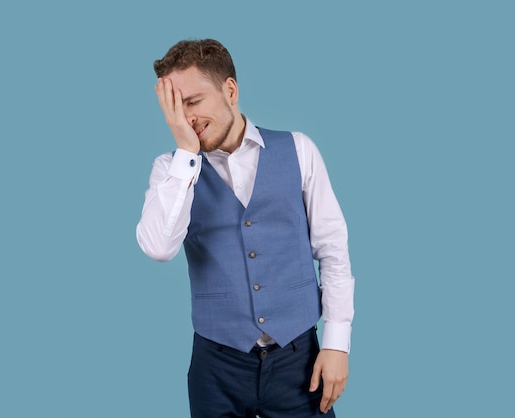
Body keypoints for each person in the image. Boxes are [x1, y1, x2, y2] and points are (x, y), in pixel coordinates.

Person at [136, 38, 355, 418]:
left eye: (193, 102)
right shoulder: (171, 171)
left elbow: (333, 248)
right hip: (216, 367)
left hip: (299, 361)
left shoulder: (299, 149)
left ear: (230, 90)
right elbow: (158, 247)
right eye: (174, 108)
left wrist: (337, 343)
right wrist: (187, 154)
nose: (186, 118)